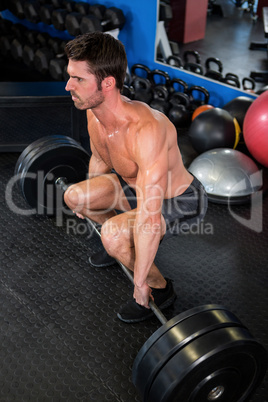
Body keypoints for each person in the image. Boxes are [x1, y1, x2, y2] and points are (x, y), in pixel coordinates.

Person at [63, 32, 208, 323]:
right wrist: (89, 200)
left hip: (179, 199)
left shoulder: (147, 130)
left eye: (78, 79)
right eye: (70, 76)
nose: (68, 86)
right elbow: (102, 157)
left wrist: (139, 282)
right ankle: (120, 248)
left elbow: (150, 217)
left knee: (115, 235)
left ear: (107, 83)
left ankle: (161, 289)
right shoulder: (94, 111)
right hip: (135, 190)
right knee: (74, 197)